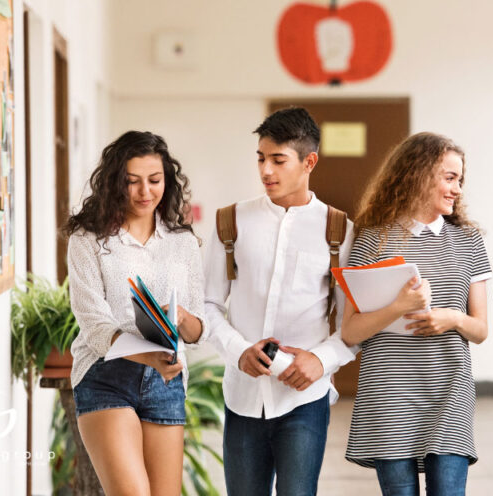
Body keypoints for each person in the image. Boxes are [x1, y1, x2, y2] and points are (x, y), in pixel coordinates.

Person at [202, 106, 356, 496]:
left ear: (309, 162)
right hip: (243, 398)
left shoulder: (338, 230)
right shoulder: (230, 222)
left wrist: (320, 360)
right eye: (260, 158)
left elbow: (354, 325)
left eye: (278, 160)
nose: (266, 171)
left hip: (305, 398)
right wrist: (238, 351)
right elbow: (207, 305)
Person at [341, 132, 493, 496]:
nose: (457, 189)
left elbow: (481, 329)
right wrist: (398, 307)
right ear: (418, 174)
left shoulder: (469, 241)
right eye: (449, 177)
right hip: (389, 390)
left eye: (460, 179)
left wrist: (452, 319)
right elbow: (350, 331)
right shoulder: (372, 240)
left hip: (450, 386)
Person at [64, 130, 207, 495]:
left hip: (166, 381)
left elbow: (196, 330)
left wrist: (182, 320)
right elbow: (95, 326)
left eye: (154, 180)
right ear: (114, 183)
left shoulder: (183, 243)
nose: (145, 192)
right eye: (132, 182)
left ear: (167, 181)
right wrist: (149, 356)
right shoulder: (88, 240)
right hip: (106, 375)